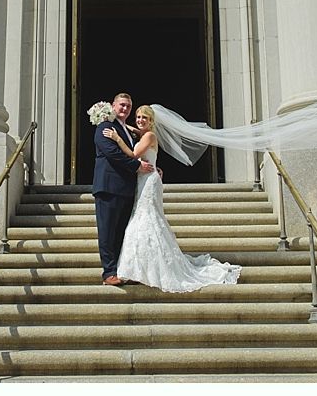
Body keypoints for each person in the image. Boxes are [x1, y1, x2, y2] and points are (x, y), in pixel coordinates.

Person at [103, 105, 242, 292]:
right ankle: (142, 268)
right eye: (138, 117)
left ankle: (144, 268)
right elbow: (137, 131)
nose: (140, 120)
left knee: (146, 220)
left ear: (152, 121)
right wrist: (123, 125)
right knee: (146, 219)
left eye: (144, 117)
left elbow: (134, 155)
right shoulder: (145, 134)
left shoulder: (150, 136)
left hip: (149, 182)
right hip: (144, 180)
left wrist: (117, 138)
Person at [92, 93, 154, 286]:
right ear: (113, 105)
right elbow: (112, 153)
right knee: (108, 231)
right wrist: (136, 167)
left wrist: (151, 165)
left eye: (128, 106)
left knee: (121, 232)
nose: (125, 109)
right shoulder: (105, 127)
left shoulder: (127, 131)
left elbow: (138, 151)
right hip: (109, 186)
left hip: (126, 188)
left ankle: (122, 269)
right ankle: (109, 272)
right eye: (122, 105)